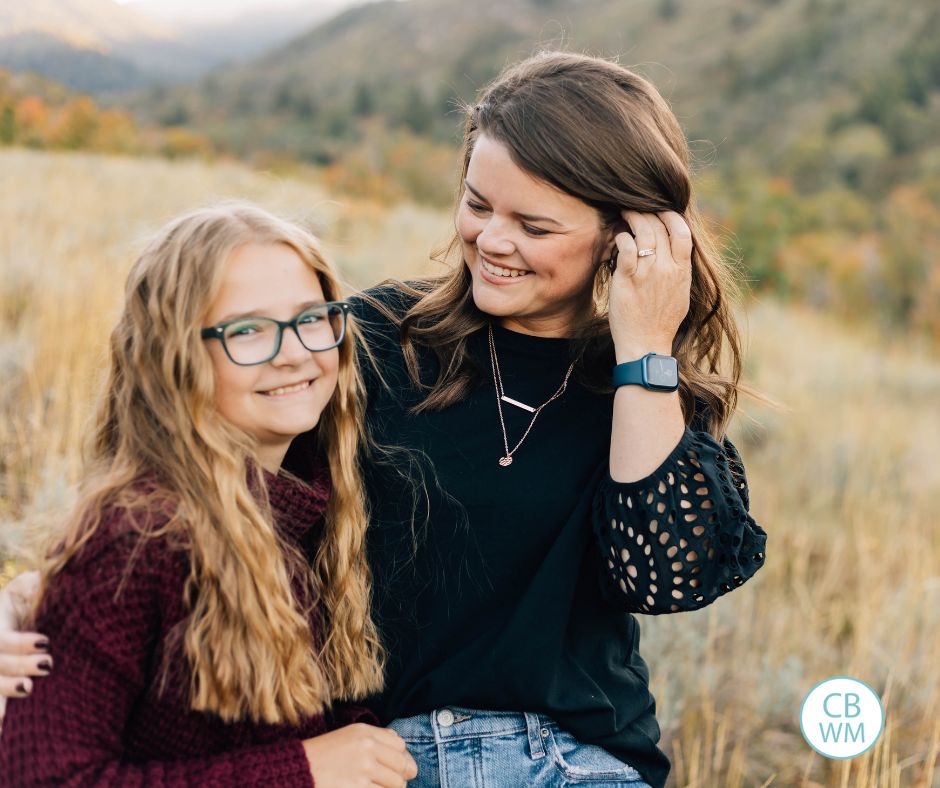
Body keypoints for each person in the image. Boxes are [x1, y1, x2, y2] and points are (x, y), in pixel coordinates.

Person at [0, 52, 768, 788]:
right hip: (381, 754)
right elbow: (195, 487)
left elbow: (664, 577)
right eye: (477, 205)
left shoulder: (649, 389)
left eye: (535, 227)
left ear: (624, 235)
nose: (493, 241)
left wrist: (644, 350)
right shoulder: (370, 339)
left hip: (580, 764)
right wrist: (40, 600)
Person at [0, 203, 418, 787]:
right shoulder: (136, 537)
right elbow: (47, 778)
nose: (294, 352)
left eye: (311, 318)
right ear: (173, 358)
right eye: (247, 329)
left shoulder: (312, 514)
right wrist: (304, 769)